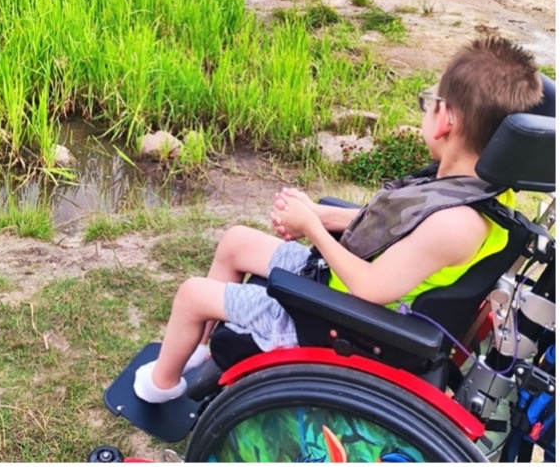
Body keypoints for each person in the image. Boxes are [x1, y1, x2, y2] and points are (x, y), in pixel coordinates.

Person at [133, 37, 543, 403]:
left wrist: (312, 228)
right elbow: (392, 226)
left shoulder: (456, 223)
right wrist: (319, 212)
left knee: (192, 294)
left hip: (342, 322)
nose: (425, 110)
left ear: (446, 120)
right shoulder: (475, 186)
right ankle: (204, 350)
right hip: (335, 282)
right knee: (236, 242)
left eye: (428, 102)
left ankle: (161, 387)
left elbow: (370, 288)